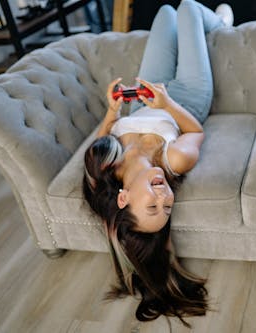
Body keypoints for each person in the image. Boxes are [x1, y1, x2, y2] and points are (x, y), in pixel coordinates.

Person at [83, 0, 233, 325]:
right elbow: (195, 130)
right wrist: (169, 103)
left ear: (123, 198)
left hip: (142, 102)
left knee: (165, 12)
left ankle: (206, 26)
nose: (165, 199)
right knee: (189, 8)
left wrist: (112, 112)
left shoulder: (109, 167)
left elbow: (100, 140)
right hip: (188, 97)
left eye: (153, 207)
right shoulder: (173, 160)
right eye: (167, 209)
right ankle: (222, 23)